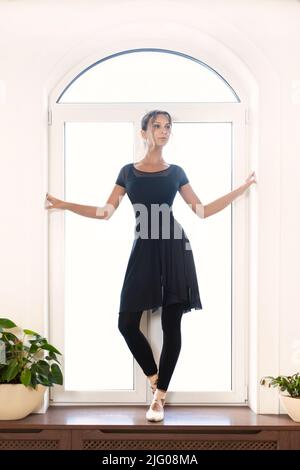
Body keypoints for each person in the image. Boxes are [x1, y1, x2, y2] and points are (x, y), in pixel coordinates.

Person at [45, 109, 257, 422]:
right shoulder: (127, 172)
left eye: (168, 126)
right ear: (143, 132)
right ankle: (156, 379)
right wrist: (64, 204)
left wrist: (241, 190)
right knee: (126, 323)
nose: (163, 130)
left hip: (174, 249)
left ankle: (158, 399)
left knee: (172, 325)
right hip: (143, 249)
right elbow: (105, 212)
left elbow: (202, 210)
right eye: (156, 126)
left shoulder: (176, 172)